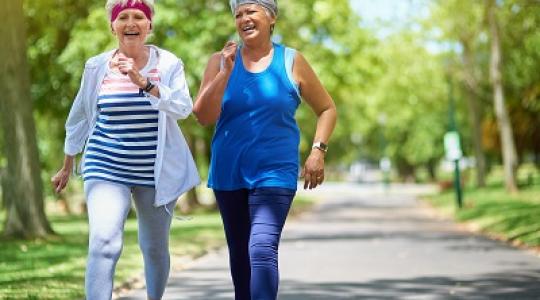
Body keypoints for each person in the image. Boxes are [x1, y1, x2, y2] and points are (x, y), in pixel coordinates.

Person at [51, 0, 199, 299]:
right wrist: (67, 164)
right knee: (104, 243)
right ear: (113, 25)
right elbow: (79, 117)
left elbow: (183, 108)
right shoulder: (96, 66)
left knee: (155, 248)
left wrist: (142, 81)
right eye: (123, 17)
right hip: (105, 165)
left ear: (149, 25)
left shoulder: (169, 64)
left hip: (154, 170)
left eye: (139, 17)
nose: (131, 23)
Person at [193, 0, 337, 299]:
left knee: (260, 248)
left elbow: (326, 108)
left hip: (275, 171)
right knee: (240, 255)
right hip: (228, 171)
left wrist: (317, 151)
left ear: (271, 18)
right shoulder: (219, 60)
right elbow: (204, 116)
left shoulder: (292, 61)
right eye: (238, 14)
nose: (244, 19)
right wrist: (225, 72)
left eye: (251, 12)